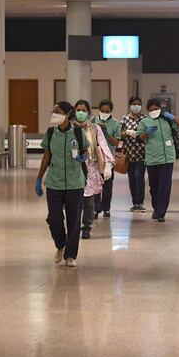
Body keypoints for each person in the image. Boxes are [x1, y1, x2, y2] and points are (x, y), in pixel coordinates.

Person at [35, 102, 89, 267]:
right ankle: (60, 245)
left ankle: (71, 255)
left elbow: (86, 152)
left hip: (75, 183)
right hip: (54, 182)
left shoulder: (79, 133)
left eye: (58, 112)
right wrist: (39, 178)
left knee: (74, 221)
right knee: (54, 218)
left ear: (67, 114)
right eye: (54, 112)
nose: (54, 114)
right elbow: (46, 156)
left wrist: (83, 157)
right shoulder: (51, 133)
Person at [137, 99, 179, 222]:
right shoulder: (144, 122)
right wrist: (146, 133)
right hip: (152, 159)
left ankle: (161, 212)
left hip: (167, 158)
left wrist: (171, 116)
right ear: (147, 111)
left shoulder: (167, 121)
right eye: (151, 109)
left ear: (160, 109)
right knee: (154, 186)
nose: (153, 111)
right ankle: (156, 208)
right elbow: (139, 138)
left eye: (156, 109)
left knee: (165, 186)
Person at [75, 100, 114, 240]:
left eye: (83, 110)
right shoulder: (70, 128)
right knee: (75, 202)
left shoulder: (95, 128)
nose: (80, 112)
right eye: (78, 109)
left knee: (89, 202)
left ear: (89, 112)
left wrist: (109, 164)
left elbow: (103, 145)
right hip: (73, 169)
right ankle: (74, 227)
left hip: (90, 168)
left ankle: (86, 227)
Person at [92, 99, 121, 219]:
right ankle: (96, 208)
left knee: (107, 186)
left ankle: (106, 208)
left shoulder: (115, 123)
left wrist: (106, 134)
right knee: (95, 183)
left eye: (107, 111)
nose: (104, 113)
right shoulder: (93, 121)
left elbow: (116, 143)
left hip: (108, 159)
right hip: (95, 158)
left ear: (111, 111)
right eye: (102, 111)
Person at [121, 96, 147, 213]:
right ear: (130, 105)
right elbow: (119, 134)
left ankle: (140, 202)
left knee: (139, 178)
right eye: (134, 104)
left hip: (142, 153)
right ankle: (134, 203)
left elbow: (148, 133)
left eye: (138, 104)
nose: (136, 106)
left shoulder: (145, 119)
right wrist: (126, 133)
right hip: (129, 153)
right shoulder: (125, 119)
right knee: (132, 179)